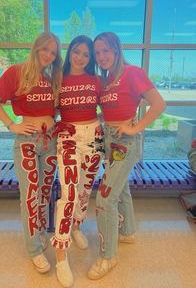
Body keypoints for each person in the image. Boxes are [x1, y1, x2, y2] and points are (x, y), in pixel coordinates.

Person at [88, 32, 166, 280]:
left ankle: (107, 257)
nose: (101, 57)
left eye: (105, 51)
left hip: (124, 142)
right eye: (97, 52)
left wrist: (134, 128)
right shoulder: (107, 79)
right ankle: (128, 232)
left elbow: (159, 104)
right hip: (108, 140)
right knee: (120, 189)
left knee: (105, 197)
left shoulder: (133, 73)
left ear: (117, 50)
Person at [0, 32, 63, 274]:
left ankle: (40, 232)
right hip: (27, 142)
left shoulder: (52, 77)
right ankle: (33, 250)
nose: (48, 56)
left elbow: (58, 109)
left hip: (50, 142)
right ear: (36, 48)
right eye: (45, 50)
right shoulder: (16, 72)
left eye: (53, 53)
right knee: (29, 195)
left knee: (44, 191)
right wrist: (12, 125)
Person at [50, 35, 104, 287]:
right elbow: (45, 107)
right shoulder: (58, 78)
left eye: (86, 54)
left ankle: (76, 226)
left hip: (94, 135)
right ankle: (61, 254)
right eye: (76, 51)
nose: (80, 57)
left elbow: (113, 105)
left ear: (90, 58)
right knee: (68, 192)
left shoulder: (96, 80)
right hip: (68, 136)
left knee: (85, 188)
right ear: (69, 51)